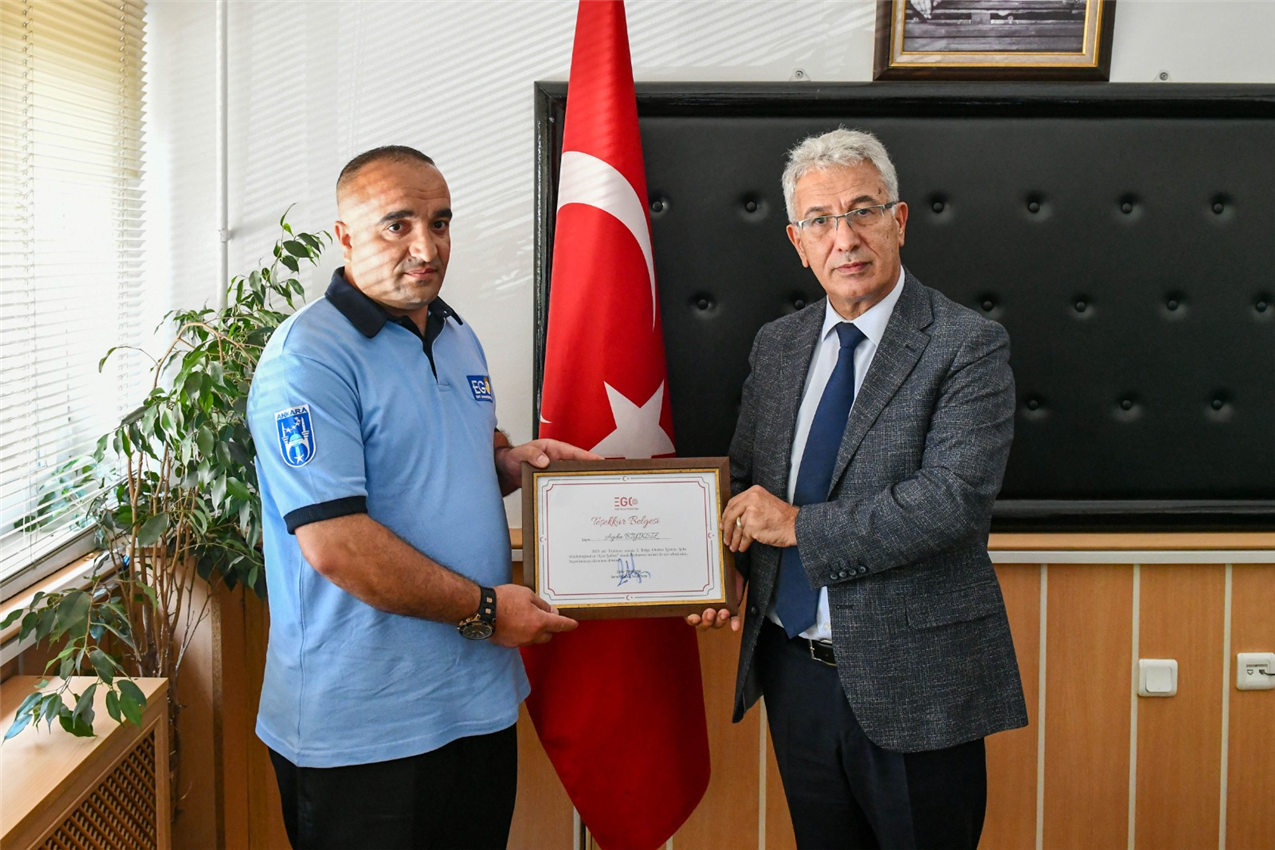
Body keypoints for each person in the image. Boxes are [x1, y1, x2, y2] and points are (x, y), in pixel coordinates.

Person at [247, 145, 593, 850]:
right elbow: (337, 545)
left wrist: (508, 462)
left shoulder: (455, 333)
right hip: (362, 728)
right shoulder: (306, 359)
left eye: (439, 223)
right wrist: (487, 611)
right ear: (344, 237)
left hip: (474, 704)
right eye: (397, 225)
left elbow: (450, 455)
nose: (426, 247)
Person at [690, 128, 1027, 850]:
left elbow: (952, 501)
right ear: (797, 242)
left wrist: (797, 527)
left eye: (863, 211)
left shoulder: (965, 344)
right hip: (794, 673)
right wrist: (722, 569)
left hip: (916, 680)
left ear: (898, 221)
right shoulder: (777, 345)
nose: (844, 238)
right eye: (820, 220)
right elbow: (746, 483)